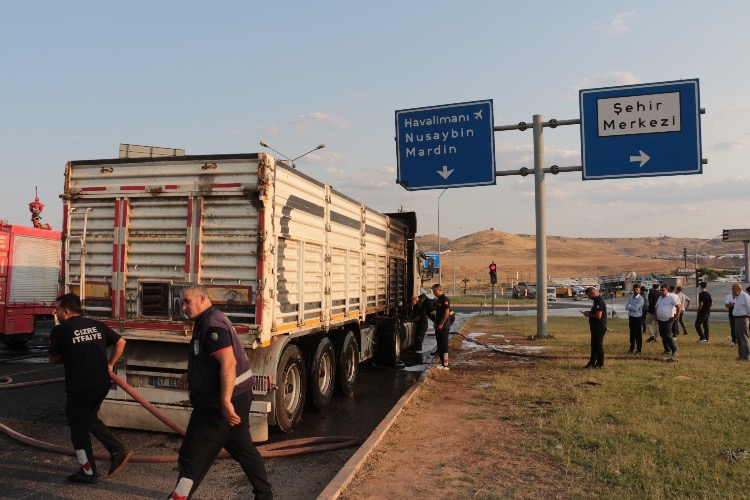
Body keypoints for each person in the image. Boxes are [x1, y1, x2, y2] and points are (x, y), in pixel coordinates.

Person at [169, 285, 273, 500]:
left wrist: (225, 402)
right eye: (182, 302)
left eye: (187, 301)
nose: (183, 307)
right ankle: (264, 495)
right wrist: (191, 374)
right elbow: (209, 359)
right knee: (243, 449)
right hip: (238, 396)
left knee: (192, 455)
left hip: (219, 403)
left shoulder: (211, 325)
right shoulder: (207, 320)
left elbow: (228, 363)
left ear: (202, 298)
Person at [48, 293, 132, 484]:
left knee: (78, 427)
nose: (56, 313)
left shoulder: (60, 331)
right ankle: (116, 450)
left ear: (66, 311)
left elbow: (53, 359)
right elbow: (121, 342)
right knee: (89, 418)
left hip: (80, 386)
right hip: (102, 383)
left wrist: (69, 353)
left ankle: (88, 470)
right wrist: (110, 364)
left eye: (57, 310)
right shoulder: (96, 325)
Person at [582, 287, 607, 368]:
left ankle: (600, 363)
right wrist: (589, 312)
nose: (589, 297)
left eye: (589, 295)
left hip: (599, 326)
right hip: (595, 326)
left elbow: (598, 316)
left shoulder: (599, 300)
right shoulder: (596, 301)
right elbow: (595, 312)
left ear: (592, 293)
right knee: (594, 345)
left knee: (598, 345)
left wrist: (589, 314)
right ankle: (592, 362)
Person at [654, 285, 681, 358]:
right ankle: (667, 350)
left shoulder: (671, 297)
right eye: (661, 290)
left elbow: (678, 307)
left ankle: (674, 350)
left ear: (667, 290)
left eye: (663, 290)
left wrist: (676, 317)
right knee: (662, 335)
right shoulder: (660, 298)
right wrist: (656, 316)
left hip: (668, 320)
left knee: (668, 335)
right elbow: (656, 307)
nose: (661, 291)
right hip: (660, 320)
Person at [431, 283, 451, 370]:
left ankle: (446, 365)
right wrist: (436, 322)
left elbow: (447, 312)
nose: (434, 293)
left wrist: (441, 323)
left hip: (443, 326)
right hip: (439, 326)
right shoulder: (439, 299)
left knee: (444, 346)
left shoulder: (444, 299)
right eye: (433, 291)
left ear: (440, 290)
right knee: (440, 345)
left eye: (435, 291)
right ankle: (442, 363)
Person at [730, 283, 750, 361]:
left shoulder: (745, 297)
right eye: (732, 290)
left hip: (743, 319)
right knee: (739, 338)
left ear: (739, 289)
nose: (733, 292)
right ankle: (741, 355)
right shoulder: (738, 297)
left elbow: (749, 308)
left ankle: (746, 356)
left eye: (734, 290)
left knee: (744, 338)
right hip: (737, 319)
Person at [625, 284, 644, 354]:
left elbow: (636, 308)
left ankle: (639, 349)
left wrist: (630, 306)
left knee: (638, 334)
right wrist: (631, 307)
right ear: (633, 290)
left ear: (639, 290)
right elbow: (626, 307)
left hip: (638, 318)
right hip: (631, 317)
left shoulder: (641, 299)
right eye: (634, 290)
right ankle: (631, 348)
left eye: (637, 290)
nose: (636, 291)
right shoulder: (631, 298)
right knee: (632, 333)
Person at [410, 294, 429, 361]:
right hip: (420, 325)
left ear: (415, 299)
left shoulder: (418, 306)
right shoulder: (416, 306)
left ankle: (419, 357)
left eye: (412, 300)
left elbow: (417, 318)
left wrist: (408, 320)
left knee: (419, 340)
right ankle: (417, 355)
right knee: (417, 339)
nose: (411, 302)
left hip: (422, 325)